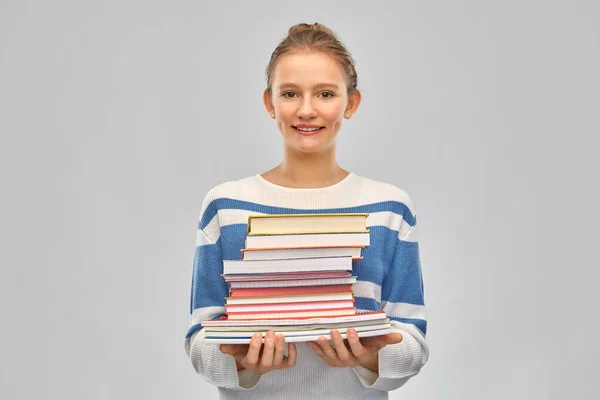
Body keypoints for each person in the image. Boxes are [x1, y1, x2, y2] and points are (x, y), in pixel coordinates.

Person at [184, 22, 429, 399]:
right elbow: (200, 339)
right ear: (269, 103)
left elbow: (412, 337)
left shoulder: (390, 209)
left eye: (326, 93)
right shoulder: (225, 206)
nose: (307, 110)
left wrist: (371, 356)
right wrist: (242, 362)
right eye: (290, 93)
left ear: (351, 102)